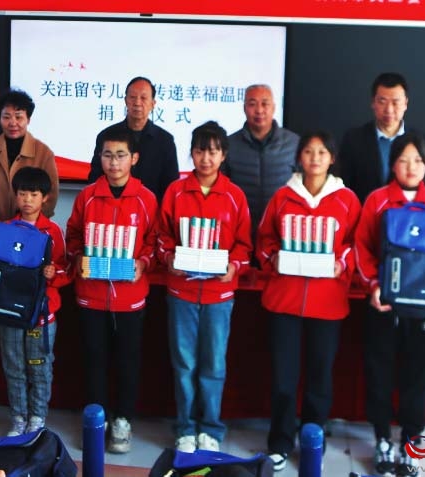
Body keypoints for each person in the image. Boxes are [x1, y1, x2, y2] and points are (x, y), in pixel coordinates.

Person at [354, 132, 425, 477]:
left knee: (417, 378)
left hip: (423, 315)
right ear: (393, 164)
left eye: (417, 160)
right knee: (379, 374)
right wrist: (373, 286)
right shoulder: (377, 201)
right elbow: (361, 249)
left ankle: (410, 445)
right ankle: (383, 440)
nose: (410, 167)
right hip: (384, 309)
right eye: (403, 160)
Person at [256, 132, 361, 471]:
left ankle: (313, 439)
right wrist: (272, 258)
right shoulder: (283, 197)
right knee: (283, 377)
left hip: (327, 303)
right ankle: (280, 442)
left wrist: (341, 262)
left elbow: (356, 243)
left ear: (332, 158)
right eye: (309, 151)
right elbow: (265, 238)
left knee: (320, 377)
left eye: (322, 152)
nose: (315, 158)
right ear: (299, 157)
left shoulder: (346, 200)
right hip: (284, 300)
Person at [156, 121, 252, 453]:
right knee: (184, 364)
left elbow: (244, 245)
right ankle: (185, 427)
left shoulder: (235, 196)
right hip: (181, 292)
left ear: (223, 155)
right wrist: (169, 257)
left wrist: (234, 266)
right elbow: (162, 236)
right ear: (192, 154)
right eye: (200, 151)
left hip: (218, 296)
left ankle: (210, 428)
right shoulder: (175, 191)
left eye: (213, 152)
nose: (206, 159)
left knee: (213, 365)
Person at [66, 128, 158, 454]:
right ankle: (97, 421)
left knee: (127, 362)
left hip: (130, 298)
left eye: (121, 155)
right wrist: (78, 256)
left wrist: (143, 263)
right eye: (107, 155)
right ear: (99, 158)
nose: (114, 162)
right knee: (94, 360)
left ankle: (122, 420)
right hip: (91, 295)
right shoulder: (88, 196)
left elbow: (154, 241)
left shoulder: (146, 199)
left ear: (134, 158)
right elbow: (73, 235)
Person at [0, 167, 70, 436]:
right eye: (22, 194)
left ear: (45, 197)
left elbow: (66, 271)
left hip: (41, 313)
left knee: (40, 366)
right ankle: (18, 417)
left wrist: (54, 273)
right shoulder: (3, 229)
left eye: (34, 194)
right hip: (9, 311)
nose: (27, 199)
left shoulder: (52, 232)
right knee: (14, 366)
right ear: (15, 195)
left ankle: (38, 417)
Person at [338, 72, 425, 202]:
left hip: (411, 213)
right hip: (365, 212)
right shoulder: (353, 139)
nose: (389, 109)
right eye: (382, 102)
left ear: (405, 103)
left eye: (395, 102)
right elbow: (345, 187)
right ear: (373, 103)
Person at [224, 84, 299, 238]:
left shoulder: (294, 144)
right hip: (240, 232)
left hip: (282, 232)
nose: (259, 110)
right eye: (252, 104)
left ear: (274, 108)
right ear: (244, 108)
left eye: (265, 103)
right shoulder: (229, 145)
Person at [0, 89, 59, 220]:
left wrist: (30, 221)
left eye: (19, 117)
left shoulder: (44, 153)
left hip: (31, 226)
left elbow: (51, 194)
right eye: (6, 117)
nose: (13, 123)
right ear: (0, 119)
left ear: (28, 119)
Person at [88, 76, 179, 201]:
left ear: (153, 104)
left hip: (151, 209)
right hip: (111, 206)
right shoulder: (107, 136)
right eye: (132, 97)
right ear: (125, 101)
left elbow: (170, 185)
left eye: (143, 98)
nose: (137, 103)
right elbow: (95, 178)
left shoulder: (165, 140)